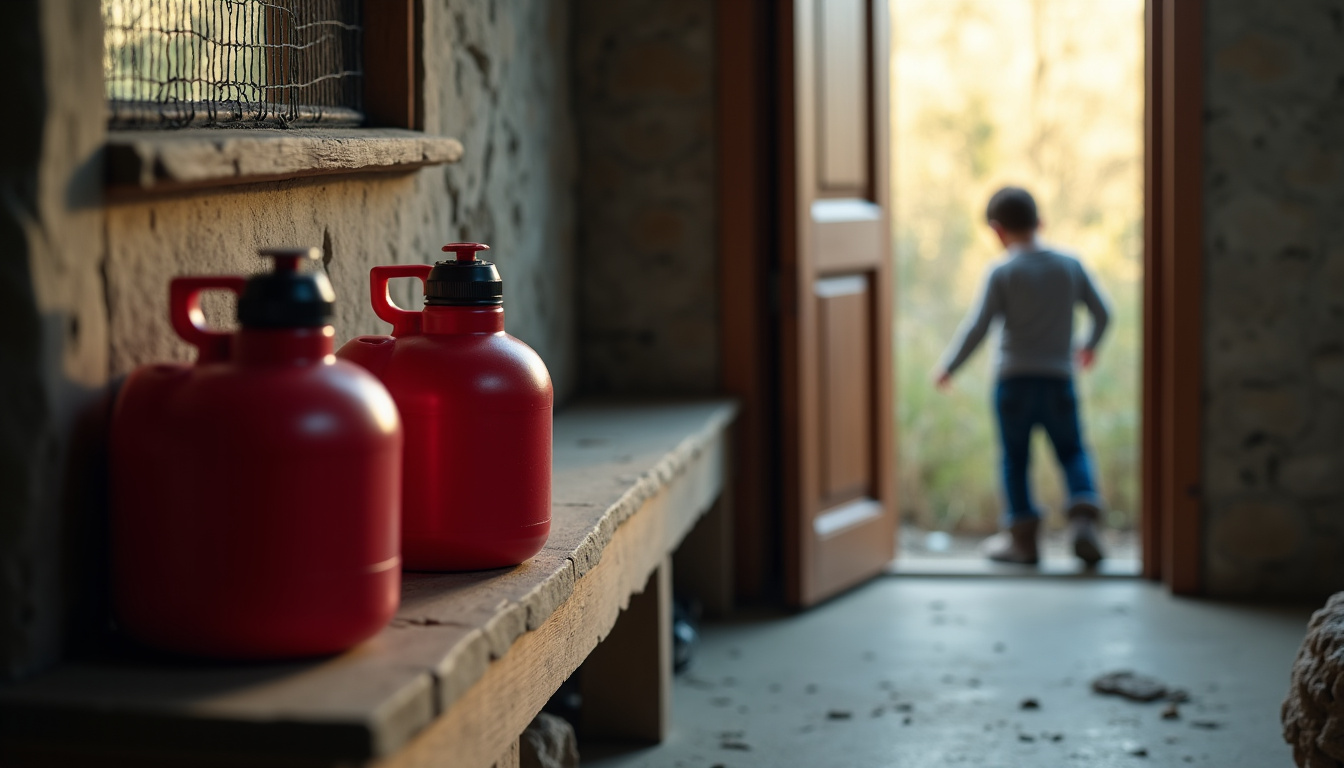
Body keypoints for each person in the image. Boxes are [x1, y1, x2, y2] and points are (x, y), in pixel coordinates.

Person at [932, 186, 1110, 566]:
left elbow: (977, 328)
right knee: (1072, 450)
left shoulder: (1002, 271)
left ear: (997, 230)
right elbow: (1103, 312)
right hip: (1059, 379)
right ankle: (1082, 520)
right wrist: (1088, 344)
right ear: (1040, 222)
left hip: (1013, 383)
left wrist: (949, 367)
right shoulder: (1070, 265)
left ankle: (1023, 543)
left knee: (1015, 459)